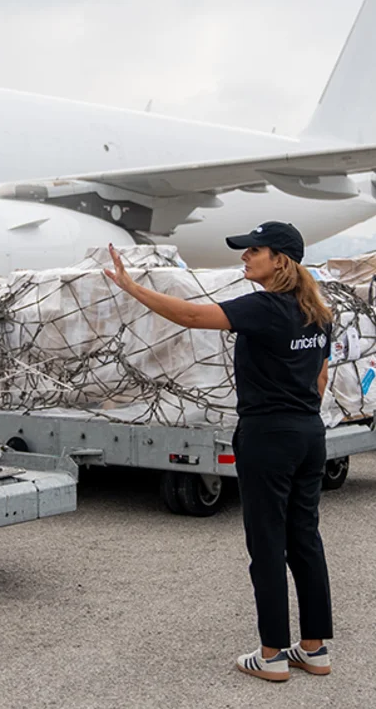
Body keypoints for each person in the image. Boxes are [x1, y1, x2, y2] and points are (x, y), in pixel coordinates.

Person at [104, 222, 333, 682]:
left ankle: (270, 656)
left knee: (267, 544)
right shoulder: (318, 314)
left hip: (268, 437)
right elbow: (321, 379)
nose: (245, 257)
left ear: (280, 261)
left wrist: (132, 287)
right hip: (309, 434)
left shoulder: (265, 308)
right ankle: (314, 649)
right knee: (304, 539)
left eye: (255, 251)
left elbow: (191, 317)